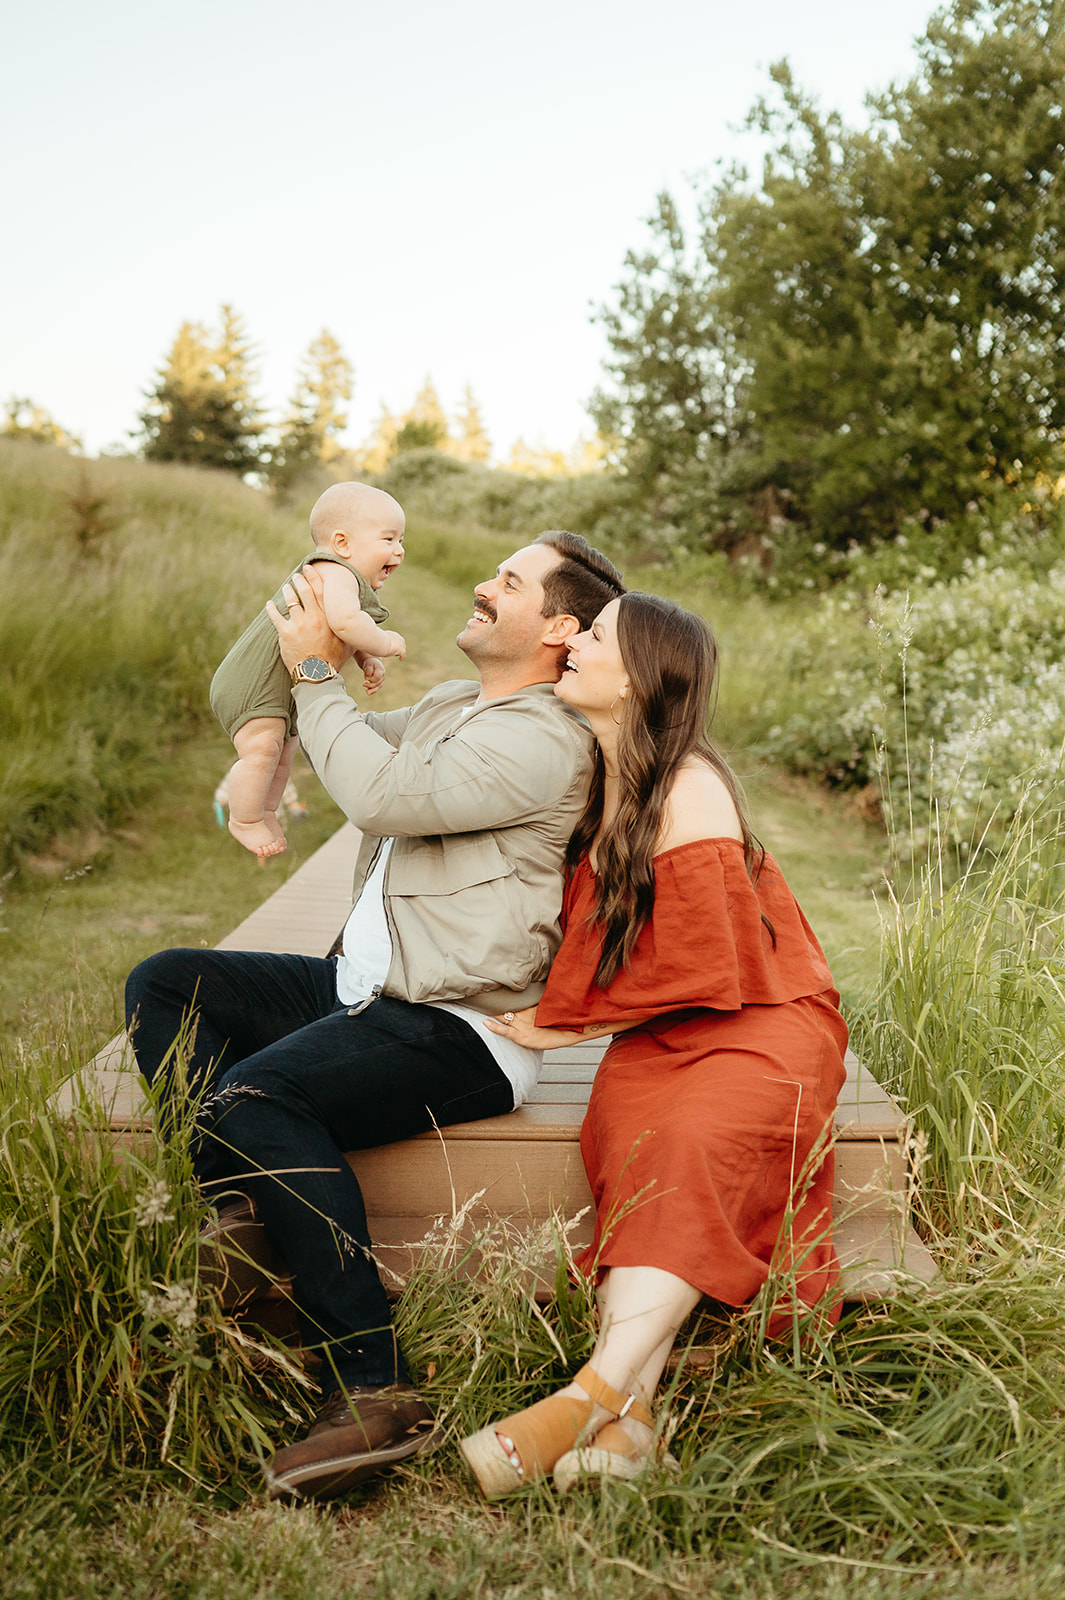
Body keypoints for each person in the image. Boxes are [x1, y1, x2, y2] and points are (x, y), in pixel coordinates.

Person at [124, 529, 626, 1503]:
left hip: (459, 1019)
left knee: (254, 1092)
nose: (484, 585)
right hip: (362, 983)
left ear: (559, 626)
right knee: (167, 981)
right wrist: (299, 662)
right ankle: (249, 1206)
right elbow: (337, 743)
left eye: (509, 582)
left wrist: (317, 666)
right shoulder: (453, 702)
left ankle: (374, 1381)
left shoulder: (544, 737)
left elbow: (382, 795)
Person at [459, 591, 848, 1498]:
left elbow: (709, 961)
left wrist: (566, 1021)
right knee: (635, 1153)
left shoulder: (690, 785)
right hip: (662, 1037)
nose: (571, 645)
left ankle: (585, 1395)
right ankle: (631, 1427)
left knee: (693, 1143)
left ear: (632, 674)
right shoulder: (604, 783)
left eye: (591, 636)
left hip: (766, 1023)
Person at [210, 481, 407, 860]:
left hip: (280, 687)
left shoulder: (342, 578)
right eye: (388, 539)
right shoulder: (335, 572)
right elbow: (347, 622)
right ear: (343, 543)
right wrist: (384, 642)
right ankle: (244, 819)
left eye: (401, 540)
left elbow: (337, 630)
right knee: (262, 749)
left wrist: (366, 659)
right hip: (254, 683)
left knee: (284, 751)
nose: (398, 550)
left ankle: (266, 810)